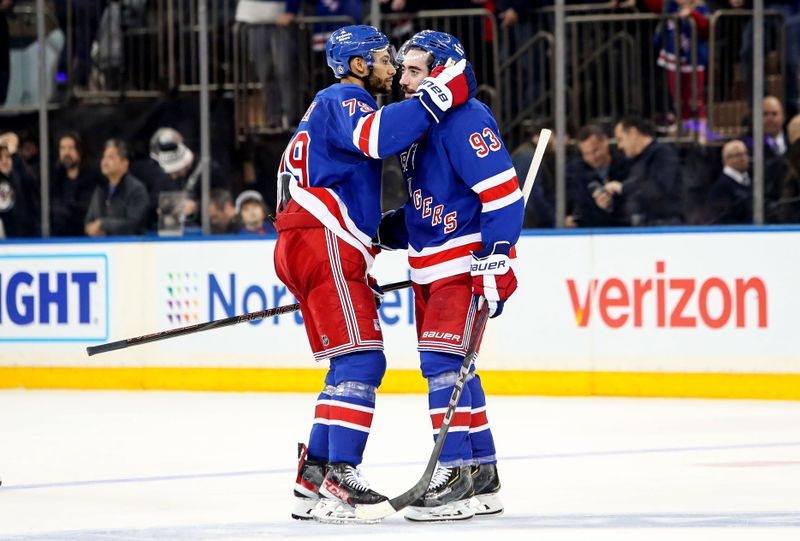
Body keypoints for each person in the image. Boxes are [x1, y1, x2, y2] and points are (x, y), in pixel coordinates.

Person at [274, 25, 476, 522]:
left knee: (346, 362)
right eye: (385, 60)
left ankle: (314, 477)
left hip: (310, 242)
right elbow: (377, 137)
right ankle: (342, 475)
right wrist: (436, 96)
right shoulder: (344, 96)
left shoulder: (325, 107)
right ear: (359, 66)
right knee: (363, 361)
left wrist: (384, 235)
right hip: (323, 241)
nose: (393, 69)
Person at [376, 30, 523, 522]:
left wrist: (497, 255)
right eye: (403, 70)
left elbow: (502, 194)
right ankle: (483, 472)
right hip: (429, 266)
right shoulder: (419, 126)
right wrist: (375, 235)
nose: (403, 79)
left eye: (415, 70)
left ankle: (454, 476)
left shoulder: (464, 117)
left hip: (462, 263)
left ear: (442, 72)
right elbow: (425, 209)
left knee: (441, 365)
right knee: (458, 370)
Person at [605, 116, 683, 225]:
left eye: (620, 139)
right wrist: (609, 203)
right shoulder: (631, 161)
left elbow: (659, 187)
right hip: (641, 225)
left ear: (633, 132)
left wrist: (623, 187)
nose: (619, 146)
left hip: (665, 226)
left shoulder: (663, 154)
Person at [566, 124, 630, 228]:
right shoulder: (574, 172)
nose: (592, 157)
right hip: (586, 232)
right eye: (586, 154)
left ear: (605, 141)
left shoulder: (626, 165)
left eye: (595, 151)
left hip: (620, 230)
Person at [84, 139, 149, 237]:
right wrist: (91, 229)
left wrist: (103, 225)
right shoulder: (100, 189)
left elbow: (134, 224)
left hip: (130, 247)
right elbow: (88, 223)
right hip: (101, 247)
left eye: (110, 157)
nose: (105, 162)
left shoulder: (136, 189)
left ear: (125, 163)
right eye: (104, 157)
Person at [50, 132, 102, 237]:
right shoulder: (54, 178)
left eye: (70, 148)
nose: (66, 153)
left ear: (79, 151)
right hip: (57, 239)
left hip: (83, 238)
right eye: (63, 148)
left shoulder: (92, 178)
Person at [705, 139, 751, 224]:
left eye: (745, 154)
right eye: (738, 155)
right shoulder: (721, 188)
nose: (744, 158)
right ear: (726, 159)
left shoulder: (749, 181)